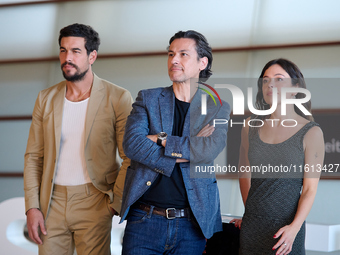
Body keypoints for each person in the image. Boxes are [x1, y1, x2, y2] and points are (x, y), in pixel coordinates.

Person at [24, 23, 133, 255]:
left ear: (92, 56)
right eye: (63, 50)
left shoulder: (118, 97)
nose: (67, 57)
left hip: (95, 200)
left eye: (76, 51)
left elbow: (129, 156)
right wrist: (32, 207)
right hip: (50, 202)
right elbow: (34, 156)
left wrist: (114, 203)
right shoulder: (45, 98)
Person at [120, 30, 230, 254]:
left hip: (191, 224)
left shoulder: (218, 106)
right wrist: (187, 150)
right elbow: (132, 144)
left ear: (202, 62)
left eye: (183, 54)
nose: (174, 60)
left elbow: (208, 151)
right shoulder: (148, 98)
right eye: (171, 54)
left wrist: (160, 139)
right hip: (144, 219)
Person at [230, 58, 325, 255]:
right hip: (251, 229)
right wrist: (251, 213)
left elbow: (309, 189)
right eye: (265, 80)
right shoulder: (250, 126)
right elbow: (244, 173)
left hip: (286, 233)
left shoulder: (311, 132)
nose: (270, 84)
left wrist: (294, 228)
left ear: (296, 86)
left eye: (279, 79)